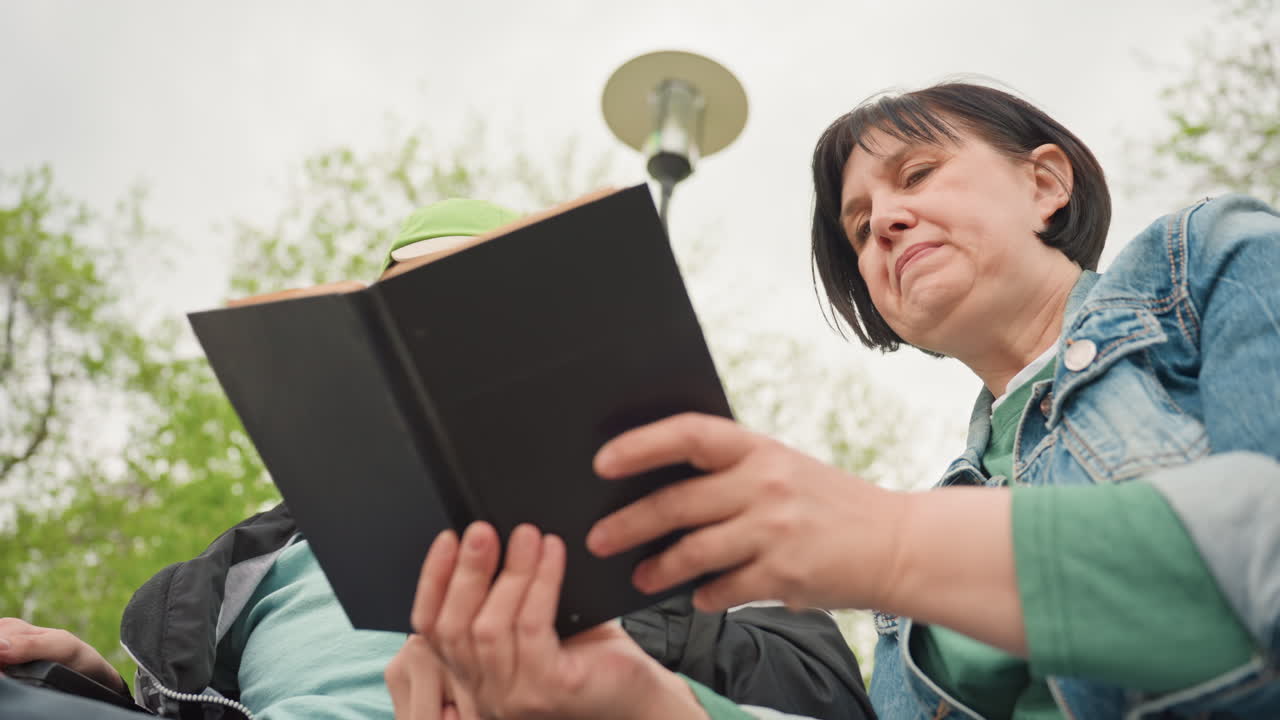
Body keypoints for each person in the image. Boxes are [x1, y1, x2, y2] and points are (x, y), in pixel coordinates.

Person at [384, 82, 1280, 720]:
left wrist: (887, 543)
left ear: (1046, 183)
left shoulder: (1210, 263)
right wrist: (642, 702)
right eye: (859, 225)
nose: (884, 221)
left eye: (919, 174)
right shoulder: (921, 565)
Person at [0, 199, 873, 720]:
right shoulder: (239, 575)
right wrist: (95, 686)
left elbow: (828, 693)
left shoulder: (677, 524)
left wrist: (589, 632)